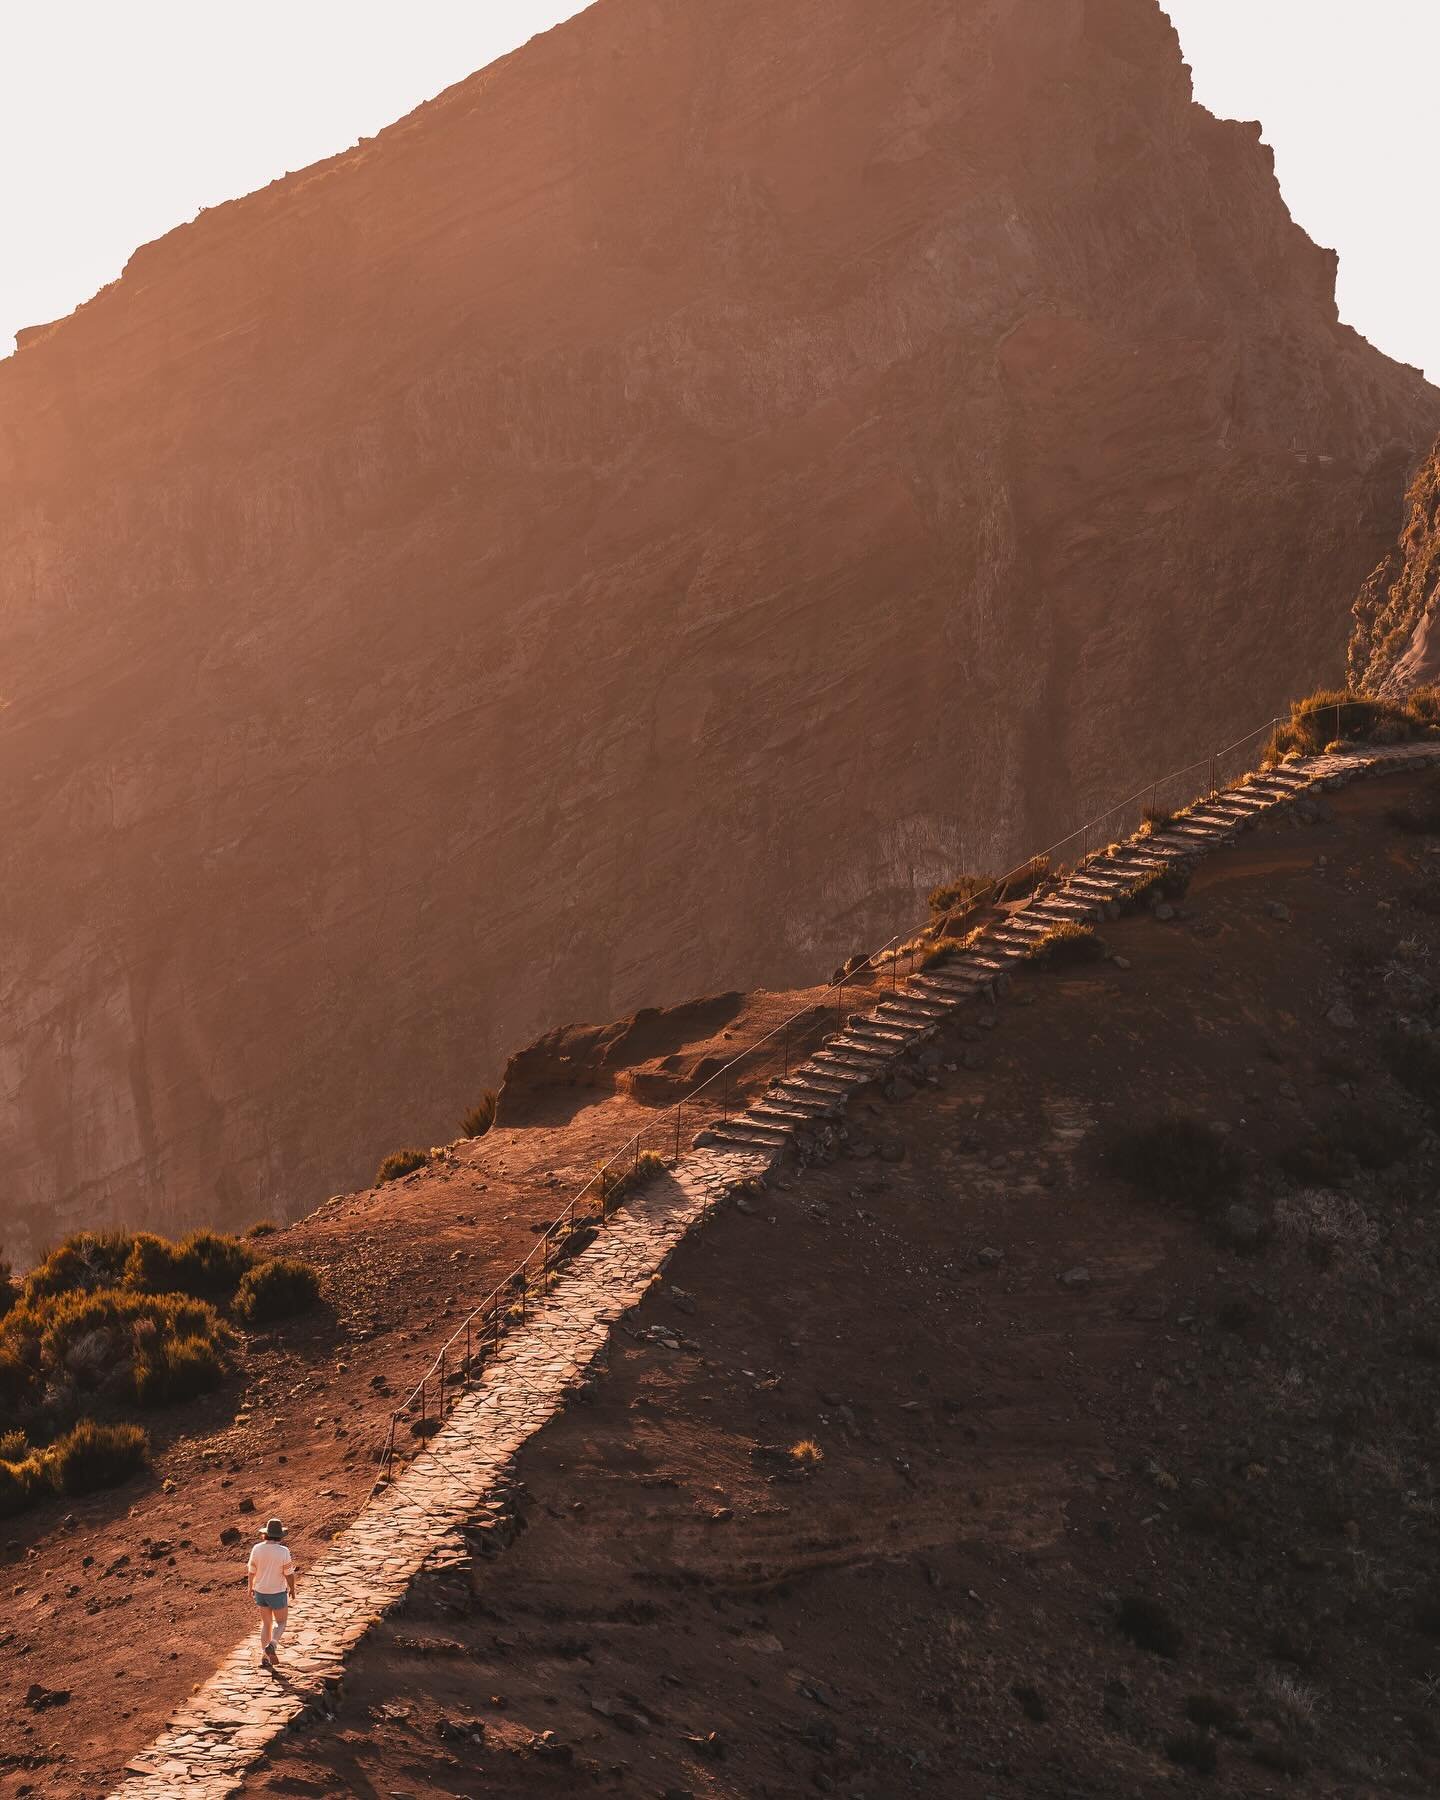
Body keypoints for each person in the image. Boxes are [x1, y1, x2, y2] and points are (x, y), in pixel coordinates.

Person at [246, 1517, 297, 1666]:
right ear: (280, 1535)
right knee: (281, 1622)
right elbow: (288, 1573)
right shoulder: (283, 1551)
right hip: (277, 1592)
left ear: (266, 1534)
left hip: (260, 1591)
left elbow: (251, 1570)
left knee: (266, 1624)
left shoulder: (257, 1548)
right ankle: (272, 1645)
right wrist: (292, 1588)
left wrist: (250, 1587)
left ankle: (264, 1657)